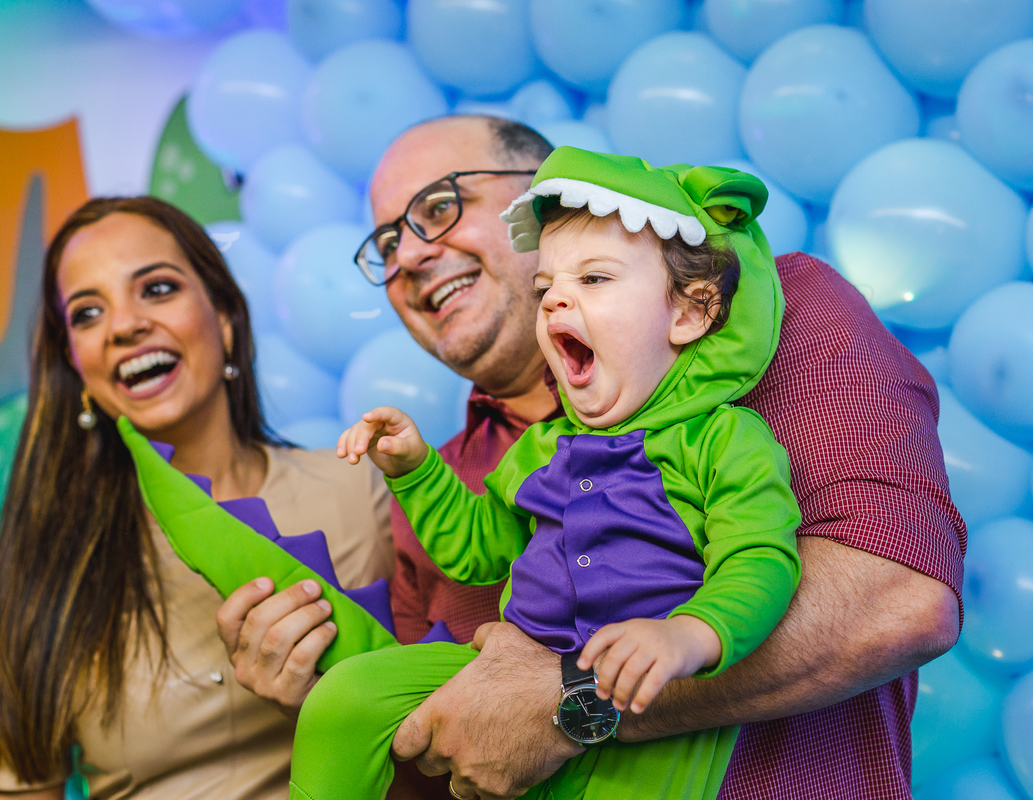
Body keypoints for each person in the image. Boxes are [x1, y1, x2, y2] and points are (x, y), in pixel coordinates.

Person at [219, 116, 966, 800]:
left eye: (440, 208)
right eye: (387, 243)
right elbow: (458, 753)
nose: (410, 253)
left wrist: (570, 702)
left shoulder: (773, 316)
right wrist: (323, 681)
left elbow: (898, 599)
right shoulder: (453, 478)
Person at [280, 149, 804, 800]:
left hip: (648, 704)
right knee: (346, 697)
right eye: (545, 287)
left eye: (594, 280)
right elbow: (476, 549)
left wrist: (689, 635)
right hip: (508, 678)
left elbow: (760, 557)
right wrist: (414, 468)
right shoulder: (544, 446)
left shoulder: (724, 439)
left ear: (689, 314)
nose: (556, 299)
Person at [0, 196, 395, 800]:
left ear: (223, 317)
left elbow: (450, 727)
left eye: (158, 288)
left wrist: (333, 704)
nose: (124, 326)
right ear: (76, 364)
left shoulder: (361, 489)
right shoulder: (49, 566)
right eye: (88, 313)